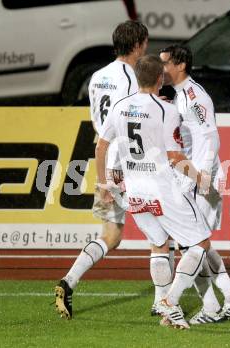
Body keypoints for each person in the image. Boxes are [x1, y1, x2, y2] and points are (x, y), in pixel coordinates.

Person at [96, 54, 230, 329]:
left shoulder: (120, 106)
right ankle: (170, 301)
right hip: (164, 189)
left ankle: (215, 301)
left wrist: (104, 183)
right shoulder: (166, 110)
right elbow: (174, 155)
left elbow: (101, 147)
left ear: (138, 77)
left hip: (134, 193)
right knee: (198, 245)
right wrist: (199, 177)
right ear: (160, 78)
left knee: (160, 246)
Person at [54, 20, 148, 320]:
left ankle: (69, 280)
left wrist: (105, 177)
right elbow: (129, 122)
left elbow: (99, 122)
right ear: (137, 45)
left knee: (111, 235)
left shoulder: (96, 76)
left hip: (104, 160)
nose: (146, 48)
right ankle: (168, 300)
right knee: (166, 227)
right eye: (144, 42)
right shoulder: (131, 79)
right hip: (126, 164)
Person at [159, 45, 230, 324]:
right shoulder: (180, 98)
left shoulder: (195, 97)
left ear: (181, 65)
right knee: (198, 246)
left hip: (198, 178)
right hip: (189, 178)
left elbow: (210, 137)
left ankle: (199, 304)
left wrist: (202, 177)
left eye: (165, 64)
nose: (161, 69)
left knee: (194, 246)